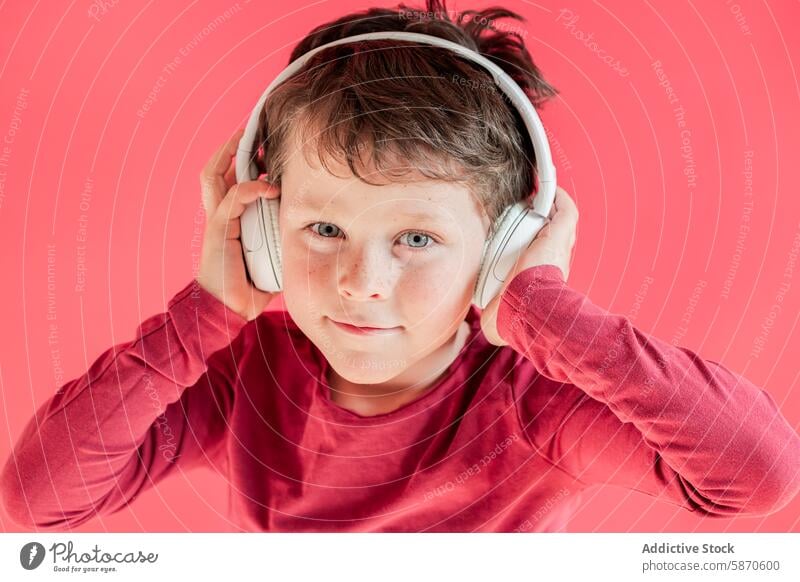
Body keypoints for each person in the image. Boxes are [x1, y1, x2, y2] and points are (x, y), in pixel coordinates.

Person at [2, 0, 799, 532]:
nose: (362, 281)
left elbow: (759, 475)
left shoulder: (534, 408)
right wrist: (208, 308)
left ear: (500, 246)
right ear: (264, 231)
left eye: (416, 239)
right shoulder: (243, 381)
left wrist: (545, 310)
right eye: (321, 228)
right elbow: (39, 502)